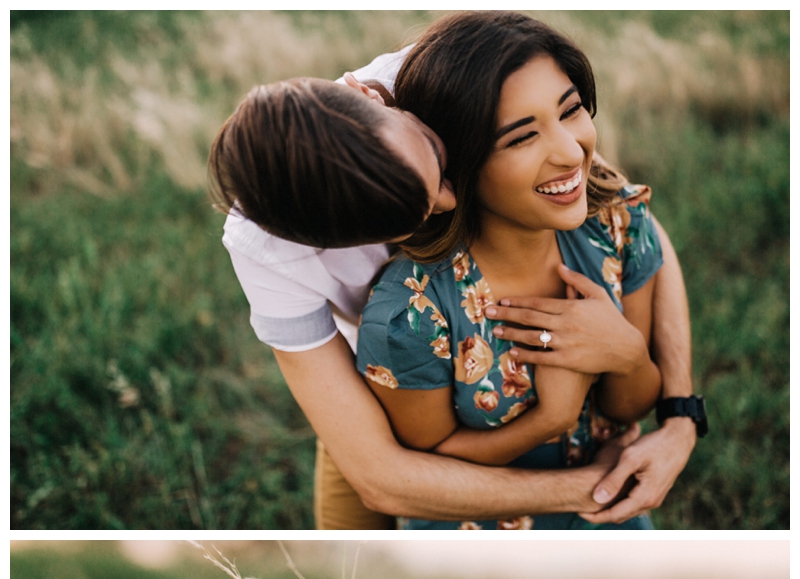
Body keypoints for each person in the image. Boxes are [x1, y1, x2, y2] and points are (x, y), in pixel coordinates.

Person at [210, 19, 700, 530]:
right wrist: (596, 482)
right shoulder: (269, 252)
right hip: (386, 385)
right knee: (349, 565)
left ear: (373, 99)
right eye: (421, 209)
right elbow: (379, 473)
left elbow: (615, 204)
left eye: (439, 161)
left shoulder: (447, 75)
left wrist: (680, 415)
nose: (450, 200)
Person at [356, 12, 663, 529]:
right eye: (521, 138)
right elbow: (426, 463)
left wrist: (627, 354)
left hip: (613, 521)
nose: (570, 152)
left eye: (570, 112)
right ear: (459, 164)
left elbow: (627, 409)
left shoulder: (617, 223)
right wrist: (551, 419)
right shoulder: (411, 312)